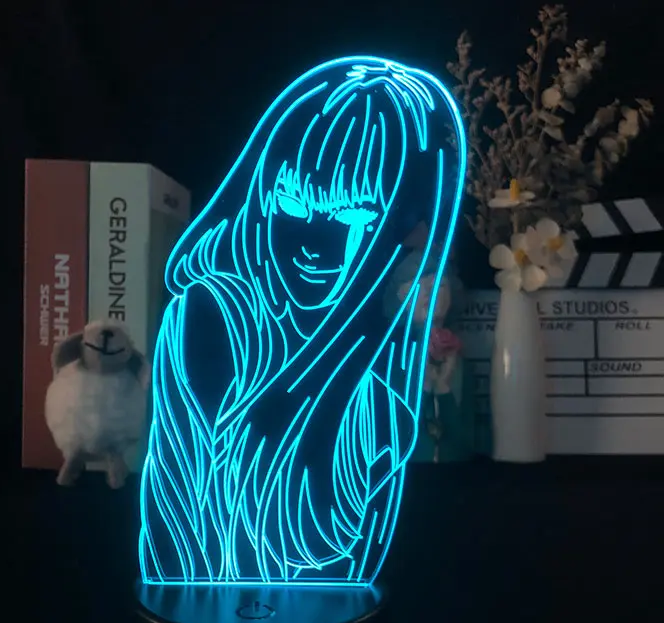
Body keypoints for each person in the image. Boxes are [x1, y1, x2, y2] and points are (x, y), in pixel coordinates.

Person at [140, 57, 466, 584]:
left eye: (354, 215)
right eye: (293, 202)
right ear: (262, 195)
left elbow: (343, 549)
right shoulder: (211, 315)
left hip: (329, 612)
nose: (316, 241)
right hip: (202, 602)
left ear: (396, 225)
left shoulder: (379, 379)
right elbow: (174, 519)